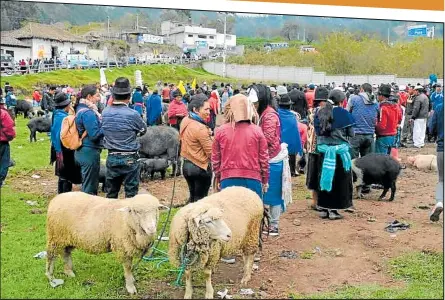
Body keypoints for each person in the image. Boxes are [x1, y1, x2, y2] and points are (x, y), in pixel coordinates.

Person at [212, 93, 269, 264]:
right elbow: (263, 159)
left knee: (228, 215)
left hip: (229, 178)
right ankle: (253, 250)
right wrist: (265, 179)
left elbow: (216, 158)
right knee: (254, 216)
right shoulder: (257, 131)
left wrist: (218, 176)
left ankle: (228, 251)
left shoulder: (220, 131)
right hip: (253, 179)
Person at [102, 77, 147, 199]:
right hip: (130, 157)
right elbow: (143, 130)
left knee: (111, 193)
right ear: (129, 96)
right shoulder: (133, 114)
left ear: (113, 95)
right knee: (131, 195)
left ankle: (110, 216)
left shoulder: (105, 112)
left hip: (112, 156)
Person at [314, 89, 355, 220]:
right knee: (338, 182)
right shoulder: (344, 114)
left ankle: (323, 208)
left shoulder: (319, 112)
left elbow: (317, 132)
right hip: (339, 153)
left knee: (324, 178)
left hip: (323, 152)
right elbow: (351, 133)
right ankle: (334, 211)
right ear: (342, 101)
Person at [254, 84, 288, 236]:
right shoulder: (263, 113)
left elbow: (267, 138)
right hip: (264, 158)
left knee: (273, 194)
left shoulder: (269, 115)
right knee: (263, 193)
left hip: (272, 160)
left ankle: (274, 225)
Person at [180, 98, 213, 203]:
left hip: (186, 166)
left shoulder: (185, 120)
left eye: (209, 109)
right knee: (201, 201)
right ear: (195, 110)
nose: (209, 112)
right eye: (206, 109)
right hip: (200, 168)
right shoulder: (201, 128)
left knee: (193, 198)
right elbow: (211, 153)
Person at [74, 85, 104, 195]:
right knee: (90, 185)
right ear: (89, 97)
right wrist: (106, 126)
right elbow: (94, 134)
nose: (99, 98)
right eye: (97, 96)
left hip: (83, 150)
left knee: (87, 180)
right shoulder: (88, 113)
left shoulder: (80, 109)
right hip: (89, 151)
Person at [50, 92, 82, 194]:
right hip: (64, 149)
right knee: (67, 175)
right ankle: (64, 195)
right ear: (67, 105)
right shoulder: (64, 118)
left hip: (57, 148)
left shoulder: (56, 114)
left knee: (62, 175)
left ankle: (61, 194)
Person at [347, 83, 379, 159]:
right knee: (367, 162)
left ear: (362, 90)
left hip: (355, 134)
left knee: (353, 161)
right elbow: (378, 116)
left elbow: (347, 113)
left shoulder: (354, 99)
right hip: (370, 134)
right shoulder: (376, 103)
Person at [277, 90, 303, 177]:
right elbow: (295, 132)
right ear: (289, 105)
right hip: (290, 143)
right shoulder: (293, 116)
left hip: (279, 143)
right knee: (292, 152)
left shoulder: (276, 114)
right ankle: (292, 170)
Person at [375, 84, 402, 155]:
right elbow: (400, 118)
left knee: (380, 159)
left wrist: (375, 129)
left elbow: (382, 125)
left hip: (383, 136)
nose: (377, 97)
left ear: (381, 95)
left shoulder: (383, 107)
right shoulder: (396, 105)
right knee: (387, 158)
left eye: (378, 95)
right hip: (393, 135)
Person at [429, 102, 444, 222]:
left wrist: (434, 135)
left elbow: (432, 126)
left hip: (442, 147)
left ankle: (439, 202)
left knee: (441, 180)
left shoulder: (439, 107)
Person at [0, 94, 16, 188]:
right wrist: (10, 137)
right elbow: (9, 127)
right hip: (2, 142)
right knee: (3, 162)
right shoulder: (3, 113)